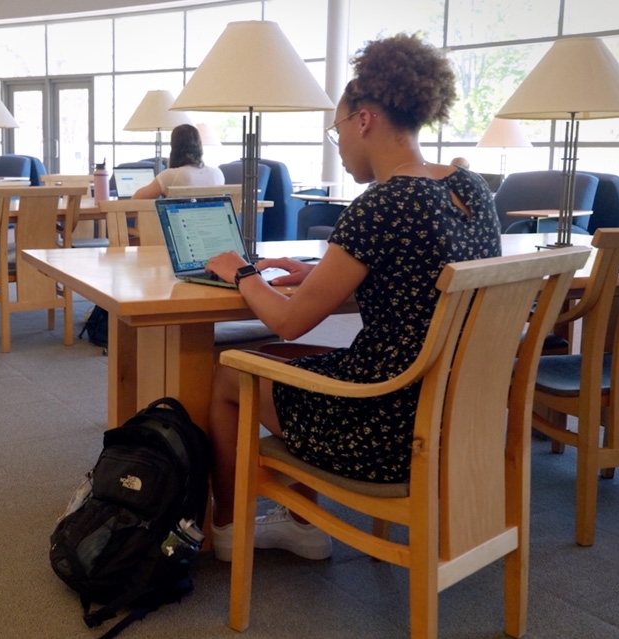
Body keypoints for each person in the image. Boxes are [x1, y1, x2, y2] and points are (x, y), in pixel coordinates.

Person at [202, 33, 502, 562]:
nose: (338, 143)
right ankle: (300, 525)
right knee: (299, 363)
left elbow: (290, 321)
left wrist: (241, 271)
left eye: (337, 127)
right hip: (457, 412)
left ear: (363, 120)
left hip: (381, 424)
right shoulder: (469, 187)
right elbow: (417, 273)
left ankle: (226, 530)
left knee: (232, 372)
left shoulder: (381, 203)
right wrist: (320, 273)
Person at [132, 123, 224, 199]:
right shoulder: (218, 173)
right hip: (215, 221)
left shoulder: (170, 176)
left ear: (174, 148)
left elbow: (136, 199)